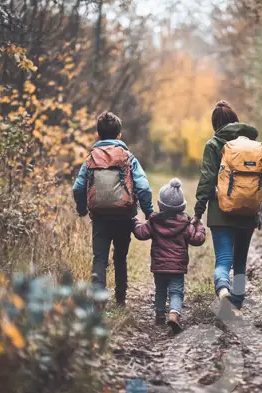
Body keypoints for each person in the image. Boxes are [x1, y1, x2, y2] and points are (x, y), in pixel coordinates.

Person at [192, 101, 262, 314]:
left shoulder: (213, 144)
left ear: (215, 124)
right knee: (239, 261)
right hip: (248, 213)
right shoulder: (254, 145)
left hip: (221, 213)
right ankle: (237, 303)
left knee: (223, 259)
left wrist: (198, 211)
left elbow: (207, 179)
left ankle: (222, 289)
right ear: (236, 120)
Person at [73, 111, 154, 307]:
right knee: (120, 257)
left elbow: (78, 187)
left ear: (97, 135)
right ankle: (120, 299)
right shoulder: (128, 157)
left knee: (99, 258)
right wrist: (148, 211)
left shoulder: (91, 158)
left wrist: (82, 209)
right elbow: (143, 187)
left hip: (100, 216)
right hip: (124, 215)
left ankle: (99, 302)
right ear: (119, 135)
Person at [132, 178, 206, 333]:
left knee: (160, 290)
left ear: (160, 204)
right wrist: (199, 226)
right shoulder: (186, 224)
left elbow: (141, 233)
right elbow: (197, 239)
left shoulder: (154, 222)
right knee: (176, 291)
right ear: (182, 206)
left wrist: (135, 223)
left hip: (159, 265)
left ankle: (159, 315)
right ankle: (174, 314)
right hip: (177, 267)